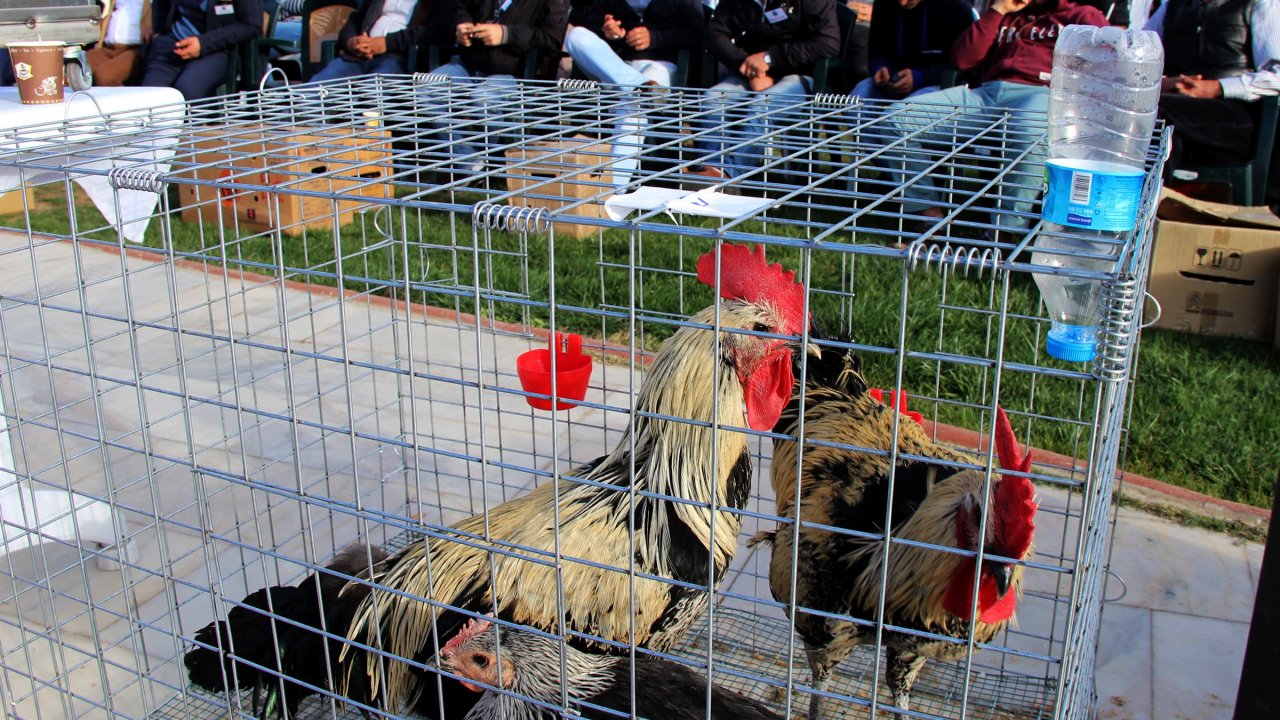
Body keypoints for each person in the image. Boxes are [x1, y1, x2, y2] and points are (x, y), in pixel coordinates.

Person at [884, 0, 1109, 230]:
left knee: (1030, 128)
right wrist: (997, 11)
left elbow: (1109, 63)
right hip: (986, 94)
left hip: (1042, 92)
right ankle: (928, 214)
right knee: (896, 119)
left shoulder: (1082, 16)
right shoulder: (1007, 15)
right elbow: (962, 60)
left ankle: (1003, 232)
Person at [1144, 0, 1280, 207]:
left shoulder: (1262, 4)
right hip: (1176, 108)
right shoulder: (1172, 6)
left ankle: (1142, 206)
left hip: (1238, 119)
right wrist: (1164, 83)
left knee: (1158, 114)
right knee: (1143, 114)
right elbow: (1138, 57)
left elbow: (1276, 75)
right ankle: (1145, 209)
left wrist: (1218, 87)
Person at [690, 0, 839, 179]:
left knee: (762, 105)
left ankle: (730, 176)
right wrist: (749, 67)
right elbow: (714, 34)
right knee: (713, 98)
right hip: (750, 73)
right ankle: (711, 168)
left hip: (803, 75)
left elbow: (828, 42)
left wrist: (770, 58)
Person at [431, 0, 569, 173]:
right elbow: (461, 7)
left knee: (484, 99)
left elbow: (551, 38)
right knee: (427, 87)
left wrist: (506, 34)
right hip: (468, 64)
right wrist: (462, 25)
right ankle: (469, 161)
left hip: (515, 73)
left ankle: (492, 165)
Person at [562, 0, 703, 88]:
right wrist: (610, 32)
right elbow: (594, 28)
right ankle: (639, 84)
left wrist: (655, 38)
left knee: (634, 101)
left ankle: (638, 86)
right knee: (576, 35)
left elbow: (696, 33)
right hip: (615, 66)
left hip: (661, 65)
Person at [141, 0, 263, 101]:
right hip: (174, 44)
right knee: (150, 97)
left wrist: (203, 43)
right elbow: (160, 5)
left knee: (187, 91)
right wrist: (158, 31)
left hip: (221, 49)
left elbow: (252, 25)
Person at [852, 0, 974, 100]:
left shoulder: (957, 8)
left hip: (937, 84)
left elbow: (962, 66)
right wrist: (879, 67)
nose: (902, 3)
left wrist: (920, 78)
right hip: (893, 80)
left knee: (902, 113)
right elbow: (877, 49)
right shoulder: (883, 3)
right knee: (855, 102)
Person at [310, 0, 454, 80]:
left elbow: (435, 32)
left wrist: (385, 43)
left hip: (399, 60)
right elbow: (356, 19)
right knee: (312, 93)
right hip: (357, 56)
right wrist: (351, 41)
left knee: (372, 99)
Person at [88, 0, 153, 86]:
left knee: (105, 76)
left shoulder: (150, 3)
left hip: (135, 50)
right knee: (77, 67)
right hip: (108, 48)